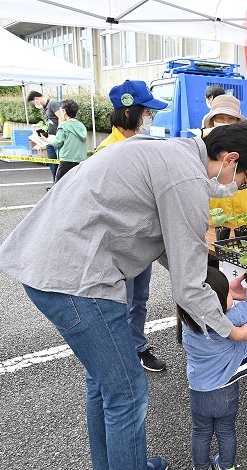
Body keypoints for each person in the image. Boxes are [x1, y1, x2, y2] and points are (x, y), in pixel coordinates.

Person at [0, 121, 247, 470]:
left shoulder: (168, 152)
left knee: (104, 381)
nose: (238, 187)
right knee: (127, 392)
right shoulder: (186, 180)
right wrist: (230, 330)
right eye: (244, 179)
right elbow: (187, 287)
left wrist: (220, 287)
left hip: (51, 267)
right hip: (78, 281)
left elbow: (176, 251)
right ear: (230, 159)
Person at [96, 80, 170, 372]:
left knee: (139, 299)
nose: (150, 119)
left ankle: (137, 347)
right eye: (147, 112)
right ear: (128, 113)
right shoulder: (107, 151)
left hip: (142, 242)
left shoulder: (146, 146)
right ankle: (120, 356)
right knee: (119, 303)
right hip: (117, 245)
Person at [177, 267, 247, 470]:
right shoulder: (231, 318)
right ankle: (227, 469)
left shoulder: (189, 322)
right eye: (227, 293)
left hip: (198, 391)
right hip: (226, 391)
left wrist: (230, 294)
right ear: (216, 305)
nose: (231, 297)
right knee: (226, 430)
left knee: (200, 432)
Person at [203, 94, 247, 218]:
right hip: (214, 214)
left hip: (241, 211)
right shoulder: (202, 142)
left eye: (231, 119)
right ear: (213, 119)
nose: (225, 123)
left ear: (237, 121)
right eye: (221, 118)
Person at [48, 99, 88, 182]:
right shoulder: (81, 126)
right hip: (81, 160)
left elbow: (57, 143)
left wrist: (47, 140)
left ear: (64, 111)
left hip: (67, 160)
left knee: (59, 185)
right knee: (76, 184)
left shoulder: (63, 126)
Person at [27, 90, 61, 182]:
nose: (35, 105)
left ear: (36, 98)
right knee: (52, 162)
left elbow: (61, 118)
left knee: (60, 163)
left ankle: (60, 183)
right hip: (49, 138)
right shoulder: (45, 108)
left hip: (57, 138)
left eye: (33, 103)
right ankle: (55, 183)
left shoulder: (53, 103)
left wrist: (60, 134)